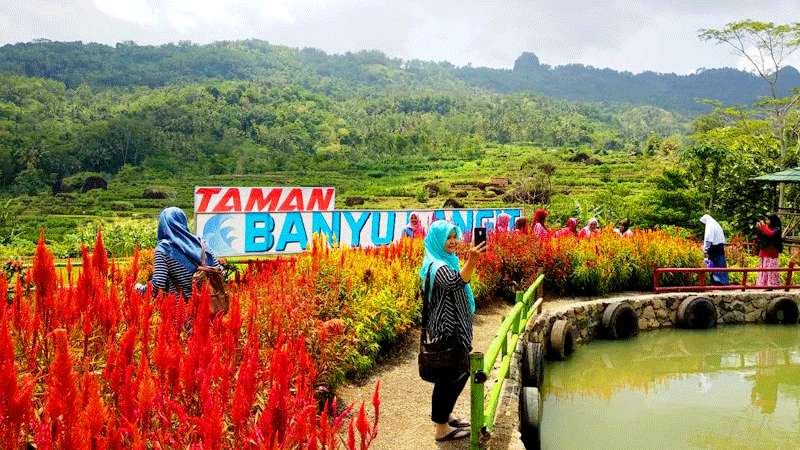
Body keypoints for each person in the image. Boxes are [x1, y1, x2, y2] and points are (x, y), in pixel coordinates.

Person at [419, 220, 485, 442]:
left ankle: (445, 417)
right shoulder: (438, 267)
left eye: (455, 237)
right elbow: (456, 283)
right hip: (449, 331)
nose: (453, 241)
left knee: (454, 374)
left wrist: (468, 262)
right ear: (438, 240)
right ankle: (441, 429)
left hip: (454, 329)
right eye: (448, 237)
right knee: (451, 377)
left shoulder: (446, 261)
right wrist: (472, 261)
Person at [151, 207, 224, 299]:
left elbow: (158, 283)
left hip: (180, 309)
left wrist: (143, 290)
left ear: (163, 224)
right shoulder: (201, 243)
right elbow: (220, 271)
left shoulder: (164, 249)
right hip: (210, 304)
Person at [699, 214, 728, 286]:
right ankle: (723, 281)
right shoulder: (715, 224)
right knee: (721, 264)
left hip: (714, 248)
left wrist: (705, 249)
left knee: (713, 265)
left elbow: (709, 238)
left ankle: (716, 282)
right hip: (720, 246)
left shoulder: (710, 225)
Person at [756, 214, 783, 287]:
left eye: (768, 220)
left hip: (772, 252)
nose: (767, 221)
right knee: (764, 267)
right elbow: (761, 236)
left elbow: (770, 233)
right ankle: (763, 283)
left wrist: (763, 226)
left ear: (773, 221)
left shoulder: (777, 229)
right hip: (764, 250)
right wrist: (759, 228)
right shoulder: (767, 227)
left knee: (770, 267)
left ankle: (771, 284)